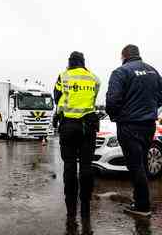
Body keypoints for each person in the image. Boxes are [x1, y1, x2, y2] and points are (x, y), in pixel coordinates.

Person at [106, 44, 162, 217]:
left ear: (124, 56)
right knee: (142, 164)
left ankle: (143, 206)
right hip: (148, 125)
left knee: (135, 166)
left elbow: (112, 101)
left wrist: (117, 116)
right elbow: (160, 97)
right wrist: (149, 110)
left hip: (129, 125)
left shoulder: (121, 72)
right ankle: (139, 200)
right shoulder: (153, 71)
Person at [54, 51, 100, 224]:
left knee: (70, 166)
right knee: (87, 166)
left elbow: (56, 97)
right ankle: (86, 209)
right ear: (83, 62)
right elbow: (93, 98)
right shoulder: (94, 78)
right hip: (88, 125)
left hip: (68, 125)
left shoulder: (63, 76)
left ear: (70, 62)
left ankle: (71, 209)